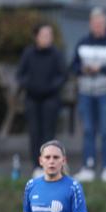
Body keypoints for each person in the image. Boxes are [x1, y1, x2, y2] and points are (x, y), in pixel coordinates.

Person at [70, 7, 106, 183]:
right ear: (90, 24)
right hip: (86, 92)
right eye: (95, 23)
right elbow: (72, 66)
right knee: (88, 130)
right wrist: (83, 69)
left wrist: (102, 68)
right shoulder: (82, 42)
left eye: (101, 23)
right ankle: (88, 166)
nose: (98, 26)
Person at [17, 23, 68, 178]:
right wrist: (30, 85)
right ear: (37, 37)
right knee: (34, 132)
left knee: (48, 133)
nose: (47, 38)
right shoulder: (28, 53)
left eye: (49, 35)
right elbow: (21, 75)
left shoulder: (56, 54)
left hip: (50, 99)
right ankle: (36, 165)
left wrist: (51, 87)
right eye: (44, 35)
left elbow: (63, 75)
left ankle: (50, 166)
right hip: (32, 98)